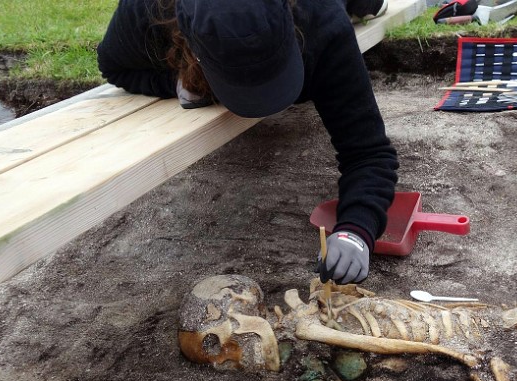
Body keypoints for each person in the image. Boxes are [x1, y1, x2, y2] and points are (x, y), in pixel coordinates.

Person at [97, 0, 396, 285]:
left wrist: (356, 229)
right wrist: (175, 83)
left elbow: (367, 152)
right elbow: (113, 66)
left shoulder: (321, 20)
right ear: (191, 43)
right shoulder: (147, 12)